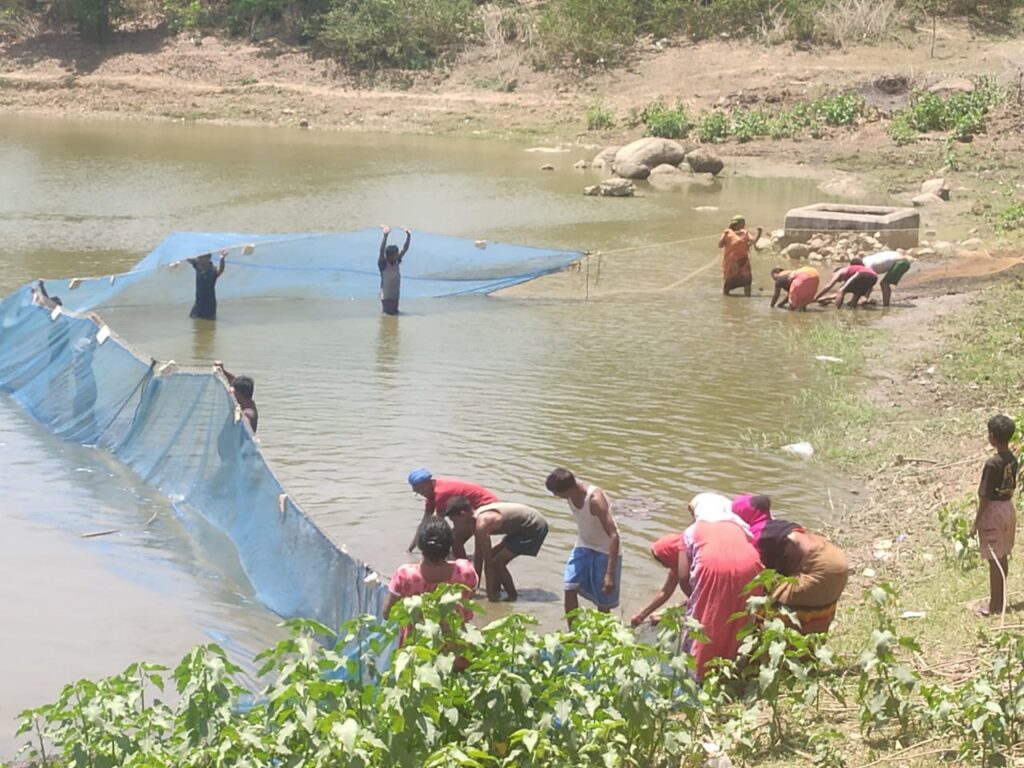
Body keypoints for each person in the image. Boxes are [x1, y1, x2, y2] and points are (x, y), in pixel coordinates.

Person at [545, 468, 621, 627]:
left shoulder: (595, 501)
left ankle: (603, 638)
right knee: (569, 587)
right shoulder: (571, 493)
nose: (555, 496)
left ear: (568, 489)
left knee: (603, 602)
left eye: (557, 493)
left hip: (605, 550)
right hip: (583, 545)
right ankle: (573, 634)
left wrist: (610, 574)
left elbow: (614, 535)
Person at [383, 516, 478, 633]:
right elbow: (470, 597)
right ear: (450, 543)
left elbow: (387, 613)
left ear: (420, 544)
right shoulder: (465, 571)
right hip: (458, 643)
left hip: (418, 646)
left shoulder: (406, 575)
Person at [443, 496, 548, 602]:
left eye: (454, 521)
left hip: (534, 527)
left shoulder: (482, 524)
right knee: (493, 556)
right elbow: (479, 557)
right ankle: (497, 590)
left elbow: (488, 564)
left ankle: (512, 596)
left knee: (497, 562)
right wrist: (474, 587)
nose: (454, 525)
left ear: (463, 515)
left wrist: (490, 597)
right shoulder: (474, 522)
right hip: (519, 528)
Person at [757, 519, 849, 634]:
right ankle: (813, 643)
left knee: (772, 609)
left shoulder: (764, 540)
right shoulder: (776, 528)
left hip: (823, 570)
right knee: (815, 610)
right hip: (833, 557)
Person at [972, 414, 1018, 617]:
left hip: (993, 512)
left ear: (992, 436)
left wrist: (975, 523)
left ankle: (994, 606)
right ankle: (1000, 599)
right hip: (1008, 508)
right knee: (1002, 555)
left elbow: (985, 497)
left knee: (993, 560)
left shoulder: (992, 464)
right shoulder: (1013, 459)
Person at [407, 469, 499, 552]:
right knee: (455, 542)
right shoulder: (430, 495)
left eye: (422, 488)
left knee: (454, 540)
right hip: (469, 510)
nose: (421, 492)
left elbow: (439, 523)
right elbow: (424, 523)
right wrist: (410, 550)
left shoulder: (441, 493)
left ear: (430, 482)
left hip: (487, 506)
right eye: (417, 490)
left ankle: (463, 566)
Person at [719, 215, 762, 297]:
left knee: (747, 280)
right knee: (728, 282)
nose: (743, 225)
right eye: (742, 223)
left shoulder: (745, 233)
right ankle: (726, 298)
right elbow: (720, 245)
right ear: (736, 224)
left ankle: (747, 297)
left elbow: (753, 242)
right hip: (731, 263)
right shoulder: (727, 232)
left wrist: (759, 233)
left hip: (743, 262)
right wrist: (724, 236)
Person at [814, 258, 878, 309]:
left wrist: (816, 297)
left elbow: (829, 286)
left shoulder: (841, 271)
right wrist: (824, 298)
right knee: (857, 294)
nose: (838, 281)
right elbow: (838, 295)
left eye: (833, 276)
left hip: (862, 273)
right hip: (874, 277)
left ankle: (837, 311)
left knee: (841, 290)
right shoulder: (852, 277)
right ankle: (853, 310)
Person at [214, 361, 257, 433]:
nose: (231, 395)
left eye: (233, 394)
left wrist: (240, 418)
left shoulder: (248, 413)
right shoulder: (248, 400)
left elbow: (247, 423)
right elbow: (233, 381)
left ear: (240, 395)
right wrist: (223, 371)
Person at [378, 225, 411, 316]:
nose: (397, 255)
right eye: (395, 254)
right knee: (388, 315)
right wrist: (385, 236)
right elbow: (381, 251)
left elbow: (405, 249)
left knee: (395, 316)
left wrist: (408, 235)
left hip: (395, 294)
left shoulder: (397, 262)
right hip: (386, 296)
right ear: (390, 255)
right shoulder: (383, 264)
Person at [187, 250, 227, 320]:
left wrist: (222, 258)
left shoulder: (212, 270)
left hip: (209, 305)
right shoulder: (198, 266)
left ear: (208, 258)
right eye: (198, 257)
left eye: (201, 258)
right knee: (194, 319)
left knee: (209, 323)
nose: (198, 259)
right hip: (198, 304)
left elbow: (220, 270)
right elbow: (187, 258)